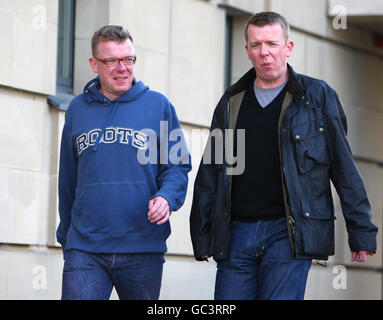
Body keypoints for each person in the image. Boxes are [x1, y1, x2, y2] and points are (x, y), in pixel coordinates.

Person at [190, 11, 378, 300]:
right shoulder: (231, 102)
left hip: (288, 234)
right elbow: (211, 171)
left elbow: (343, 168)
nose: (264, 52)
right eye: (256, 45)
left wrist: (361, 232)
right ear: (247, 51)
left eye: (271, 43)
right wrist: (202, 234)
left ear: (287, 48)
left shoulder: (317, 97)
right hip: (236, 233)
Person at [57, 25, 191, 300]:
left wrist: (166, 197)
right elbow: (67, 180)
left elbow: (177, 166)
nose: (122, 68)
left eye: (128, 59)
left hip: (142, 246)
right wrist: (66, 239)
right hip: (85, 248)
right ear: (94, 64)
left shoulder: (159, 105)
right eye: (112, 61)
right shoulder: (77, 109)